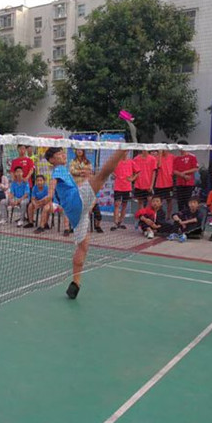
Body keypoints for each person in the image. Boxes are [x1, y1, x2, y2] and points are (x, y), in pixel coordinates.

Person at [44, 125, 132, 299]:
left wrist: (85, 180)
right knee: (102, 176)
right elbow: (53, 183)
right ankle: (125, 145)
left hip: (75, 212)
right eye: (59, 153)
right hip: (75, 202)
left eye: (62, 152)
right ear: (52, 159)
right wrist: (49, 196)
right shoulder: (58, 169)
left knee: (83, 246)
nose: (63, 155)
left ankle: (75, 283)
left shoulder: (64, 170)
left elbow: (62, 186)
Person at [70, 149, 103, 233]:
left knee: (98, 214)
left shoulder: (87, 162)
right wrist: (82, 171)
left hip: (89, 200)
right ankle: (74, 226)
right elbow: (72, 171)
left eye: (81, 150)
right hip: (78, 189)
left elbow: (89, 170)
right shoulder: (73, 161)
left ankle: (97, 226)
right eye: (78, 150)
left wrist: (90, 207)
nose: (79, 151)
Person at [111, 154, 135, 231]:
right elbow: (110, 170)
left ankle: (120, 222)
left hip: (127, 187)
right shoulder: (116, 161)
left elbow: (138, 172)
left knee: (124, 205)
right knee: (117, 204)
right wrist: (113, 174)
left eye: (126, 151)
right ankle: (115, 223)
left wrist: (132, 179)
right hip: (118, 187)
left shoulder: (131, 162)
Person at [173, 141, 198, 212]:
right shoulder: (176, 158)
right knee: (180, 202)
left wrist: (185, 172)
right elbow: (174, 170)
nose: (181, 149)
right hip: (179, 183)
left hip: (189, 183)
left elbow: (195, 168)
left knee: (188, 201)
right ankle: (180, 215)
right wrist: (182, 175)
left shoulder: (192, 157)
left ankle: (189, 215)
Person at [154, 150, 175, 218]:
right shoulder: (157, 157)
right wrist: (160, 155)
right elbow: (158, 166)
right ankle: (159, 215)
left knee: (169, 200)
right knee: (158, 201)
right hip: (159, 183)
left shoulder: (172, 157)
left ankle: (168, 216)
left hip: (169, 183)